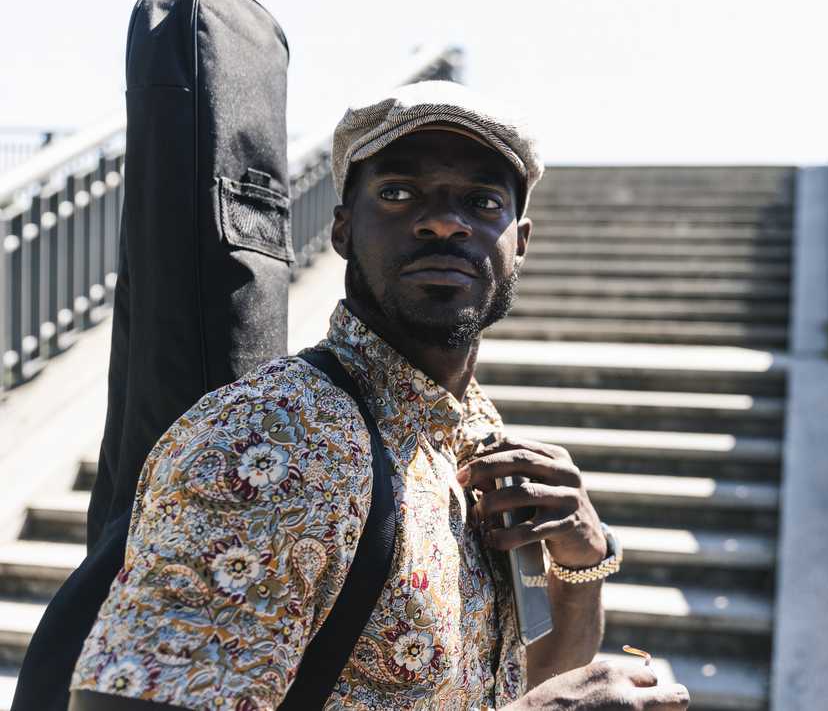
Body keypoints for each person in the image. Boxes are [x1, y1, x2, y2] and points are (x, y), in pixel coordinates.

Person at [67, 81, 691, 711]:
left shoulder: (474, 432)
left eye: (482, 200)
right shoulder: (278, 439)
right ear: (342, 229)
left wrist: (582, 566)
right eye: (397, 193)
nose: (444, 220)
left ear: (520, 243)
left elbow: (522, 682)